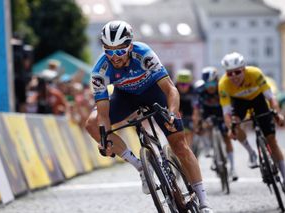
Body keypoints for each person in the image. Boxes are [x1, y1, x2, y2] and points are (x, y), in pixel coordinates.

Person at [85, 20, 213, 212]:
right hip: (125, 97)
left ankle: (204, 203)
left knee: (180, 145)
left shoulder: (143, 53)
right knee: (92, 123)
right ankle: (141, 168)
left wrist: (171, 114)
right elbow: (103, 113)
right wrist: (104, 137)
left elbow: (171, 89)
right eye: (108, 51)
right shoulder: (99, 70)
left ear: (130, 45)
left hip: (154, 92)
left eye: (120, 50)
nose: (114, 56)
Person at [218, 52, 285, 196]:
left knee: (272, 140)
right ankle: (252, 153)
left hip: (258, 100)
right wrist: (231, 128)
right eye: (230, 73)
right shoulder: (223, 84)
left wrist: (277, 113)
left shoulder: (255, 74)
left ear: (244, 69)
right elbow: (226, 113)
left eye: (237, 72)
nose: (234, 76)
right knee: (235, 124)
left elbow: (271, 98)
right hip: (239, 103)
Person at [194, 66, 258, 181]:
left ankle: (233, 169)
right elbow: (197, 109)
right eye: (207, 85)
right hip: (208, 113)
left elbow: (231, 105)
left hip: (222, 112)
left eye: (212, 84)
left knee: (227, 138)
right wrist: (198, 122)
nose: (210, 88)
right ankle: (213, 152)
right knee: (205, 126)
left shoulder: (222, 88)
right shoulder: (200, 91)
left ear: (216, 81)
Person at [175, 69, 196, 148]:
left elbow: (196, 107)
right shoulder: (174, 88)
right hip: (178, 109)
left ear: (189, 84)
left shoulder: (193, 91)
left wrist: (195, 118)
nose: (183, 87)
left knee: (189, 130)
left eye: (185, 85)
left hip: (189, 111)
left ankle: (189, 147)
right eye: (181, 84)